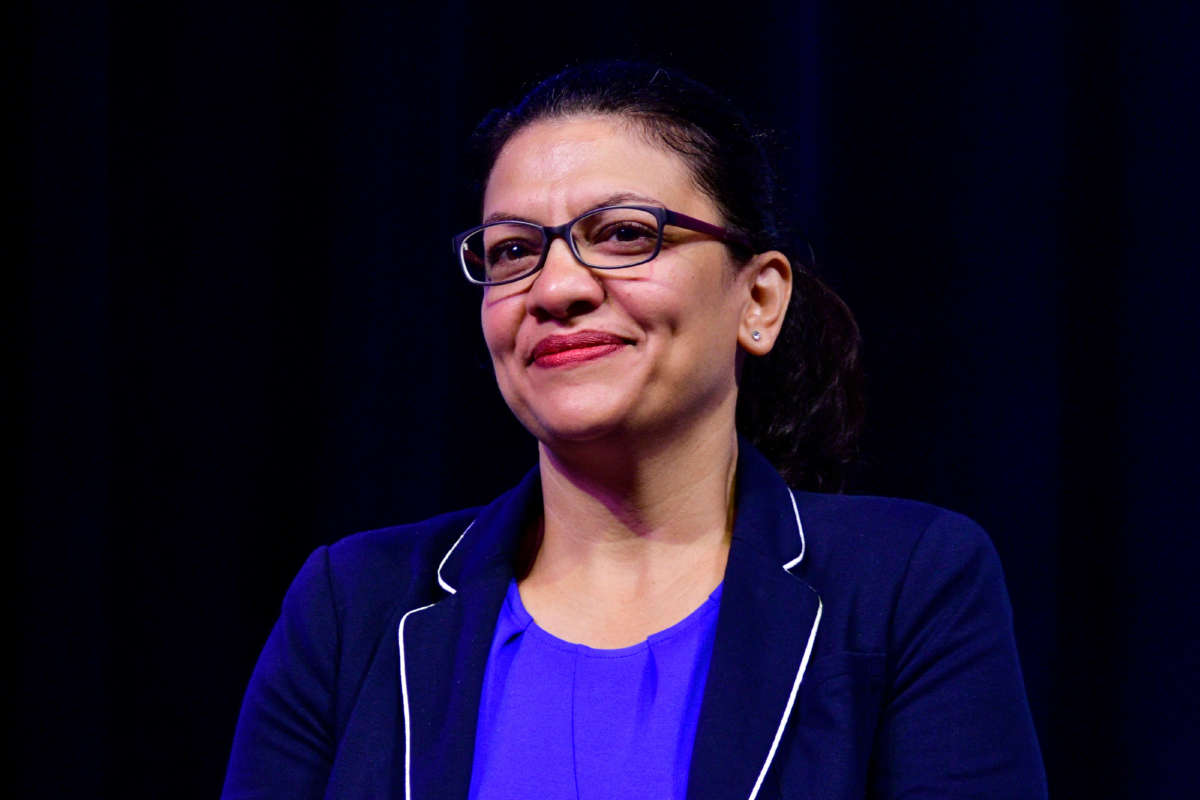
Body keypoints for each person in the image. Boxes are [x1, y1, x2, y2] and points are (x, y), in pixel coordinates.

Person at [222, 62, 1047, 799]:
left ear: (757, 300)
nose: (556, 287)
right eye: (513, 251)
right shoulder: (352, 606)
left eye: (623, 234)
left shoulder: (907, 584)